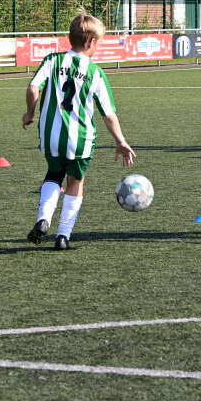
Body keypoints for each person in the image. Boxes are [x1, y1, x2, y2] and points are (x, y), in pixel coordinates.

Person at [22, 13, 136, 250]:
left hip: (51, 135)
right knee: (75, 181)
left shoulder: (52, 60)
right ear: (92, 42)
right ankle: (63, 236)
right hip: (80, 139)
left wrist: (30, 113)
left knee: (54, 174)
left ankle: (43, 219)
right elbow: (108, 114)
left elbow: (33, 88)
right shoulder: (95, 72)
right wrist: (121, 141)